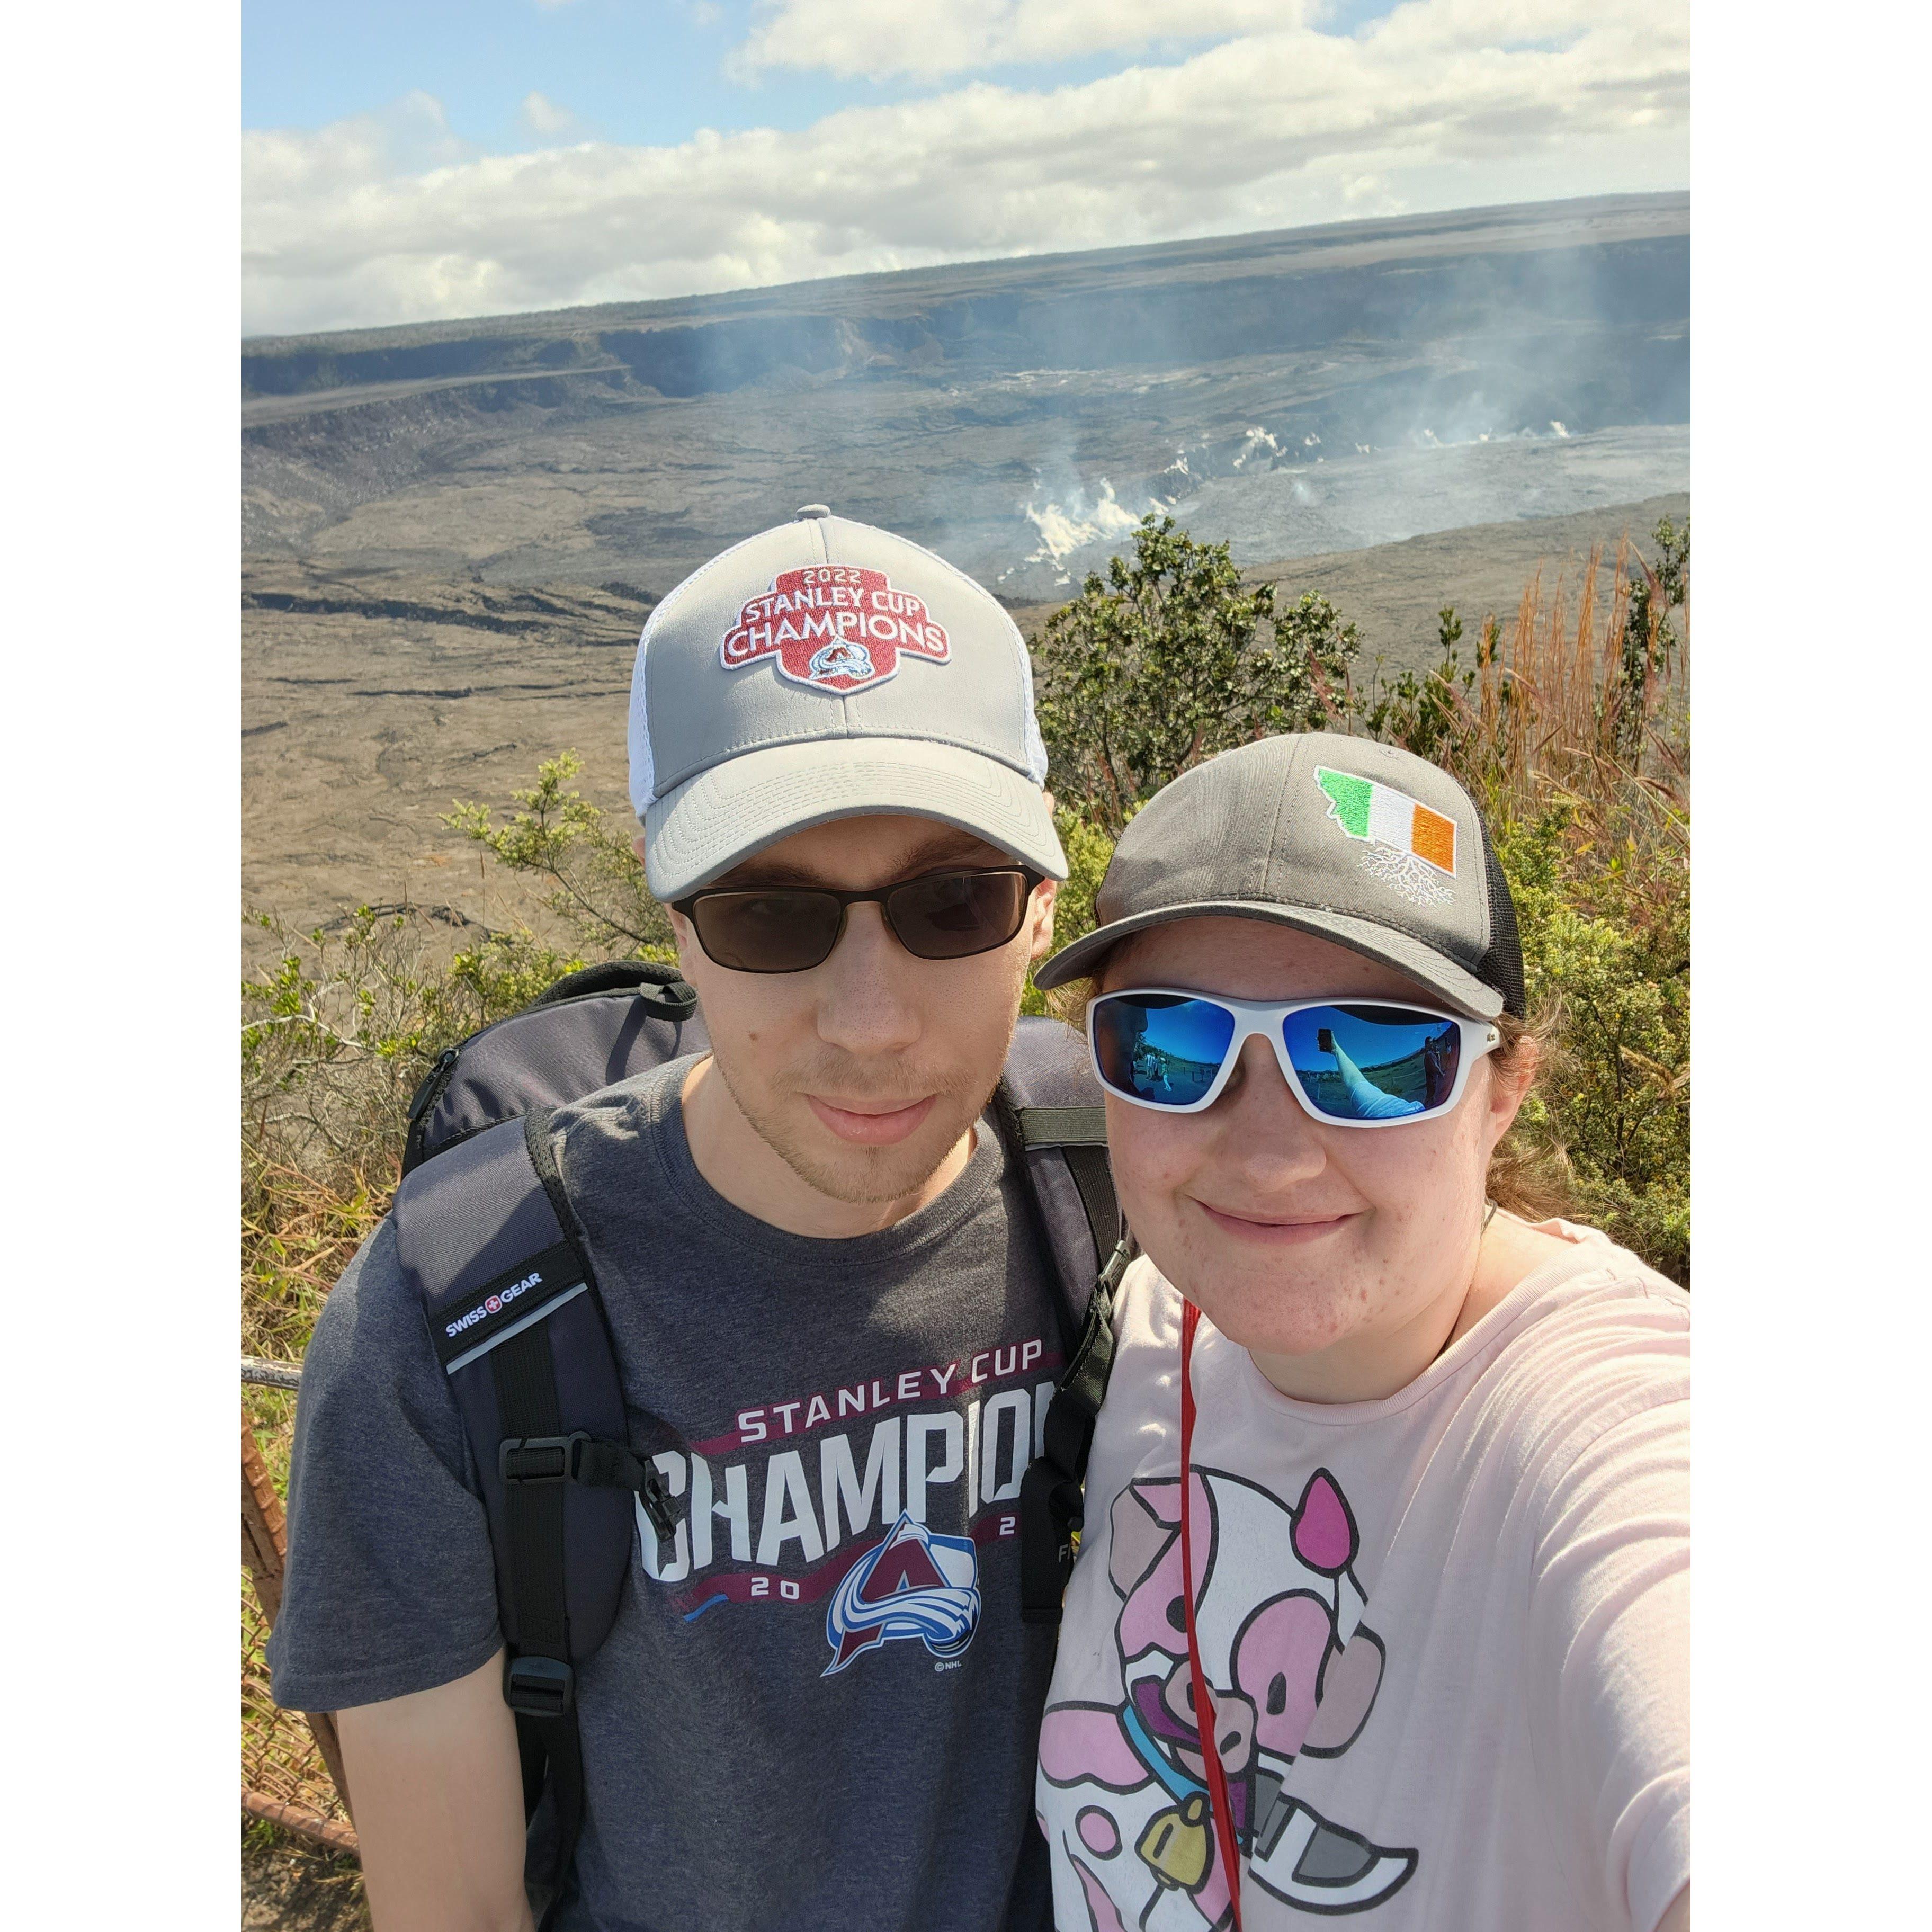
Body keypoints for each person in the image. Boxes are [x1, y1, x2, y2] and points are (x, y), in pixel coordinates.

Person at [269, 506, 1083, 1931]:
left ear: (1040, 906)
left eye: (952, 901)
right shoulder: (450, 1316)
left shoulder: (1134, 1193)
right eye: (772, 915)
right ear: (675, 918)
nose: (873, 1021)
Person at [1028, 732, 1689, 1932]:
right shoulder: (1147, 1326)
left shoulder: (1615, 1422)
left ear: (1503, 1090)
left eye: (1376, 1057)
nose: (1270, 1153)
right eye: (1171, 1045)